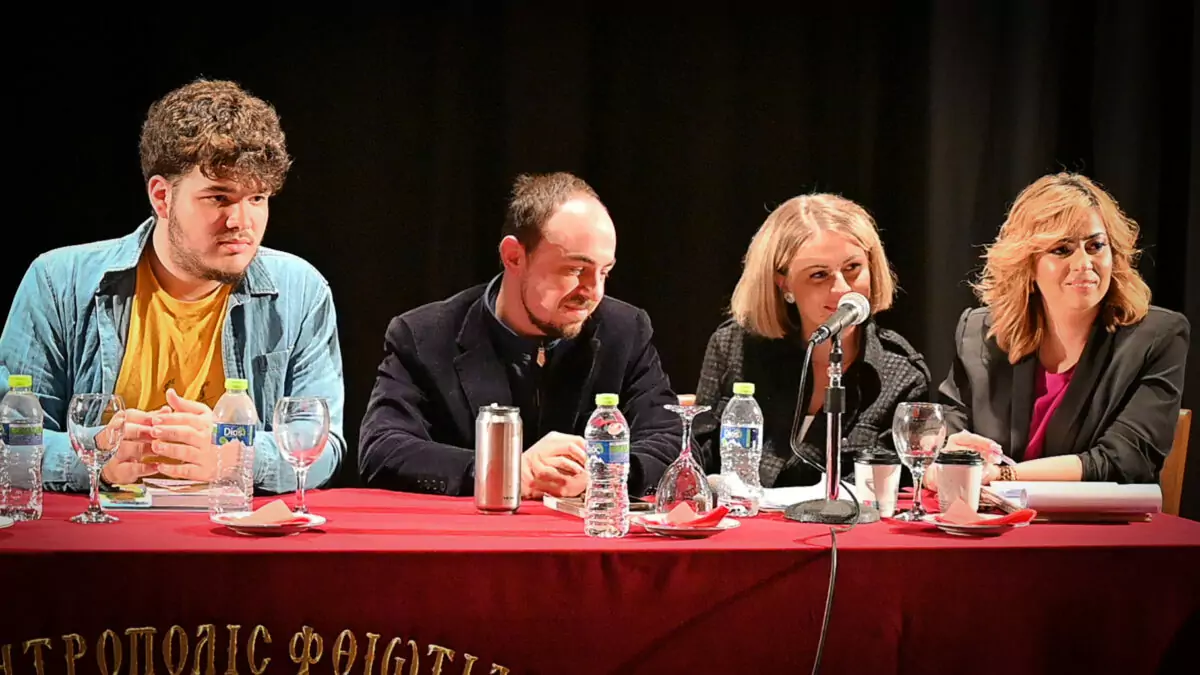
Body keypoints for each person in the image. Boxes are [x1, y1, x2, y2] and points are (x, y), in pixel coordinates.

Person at [0, 79, 346, 493]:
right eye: (219, 198)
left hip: (230, 524)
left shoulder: (301, 291)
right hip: (104, 524)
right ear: (162, 197)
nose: (241, 222)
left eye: (257, 199)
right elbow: (8, 443)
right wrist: (96, 455)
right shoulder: (59, 282)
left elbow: (322, 446)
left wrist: (235, 457)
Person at [359, 172, 681, 498]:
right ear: (514, 256)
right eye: (575, 270)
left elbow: (672, 440)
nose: (594, 292)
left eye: (605, 272)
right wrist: (503, 472)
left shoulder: (625, 330)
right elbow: (382, 449)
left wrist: (604, 473)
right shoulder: (424, 336)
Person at [937, 172, 1189, 484]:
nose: (1084, 263)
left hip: (1096, 515)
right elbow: (948, 430)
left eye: (1096, 245)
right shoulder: (980, 332)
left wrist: (1004, 475)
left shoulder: (1158, 337)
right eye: (1062, 249)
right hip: (989, 513)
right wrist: (946, 454)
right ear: (1027, 264)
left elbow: (1125, 461)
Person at [693, 194, 931, 488]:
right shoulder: (732, 347)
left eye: (852, 268)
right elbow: (698, 458)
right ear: (783, 283)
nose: (842, 289)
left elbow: (898, 487)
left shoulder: (903, 374)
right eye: (819, 275)